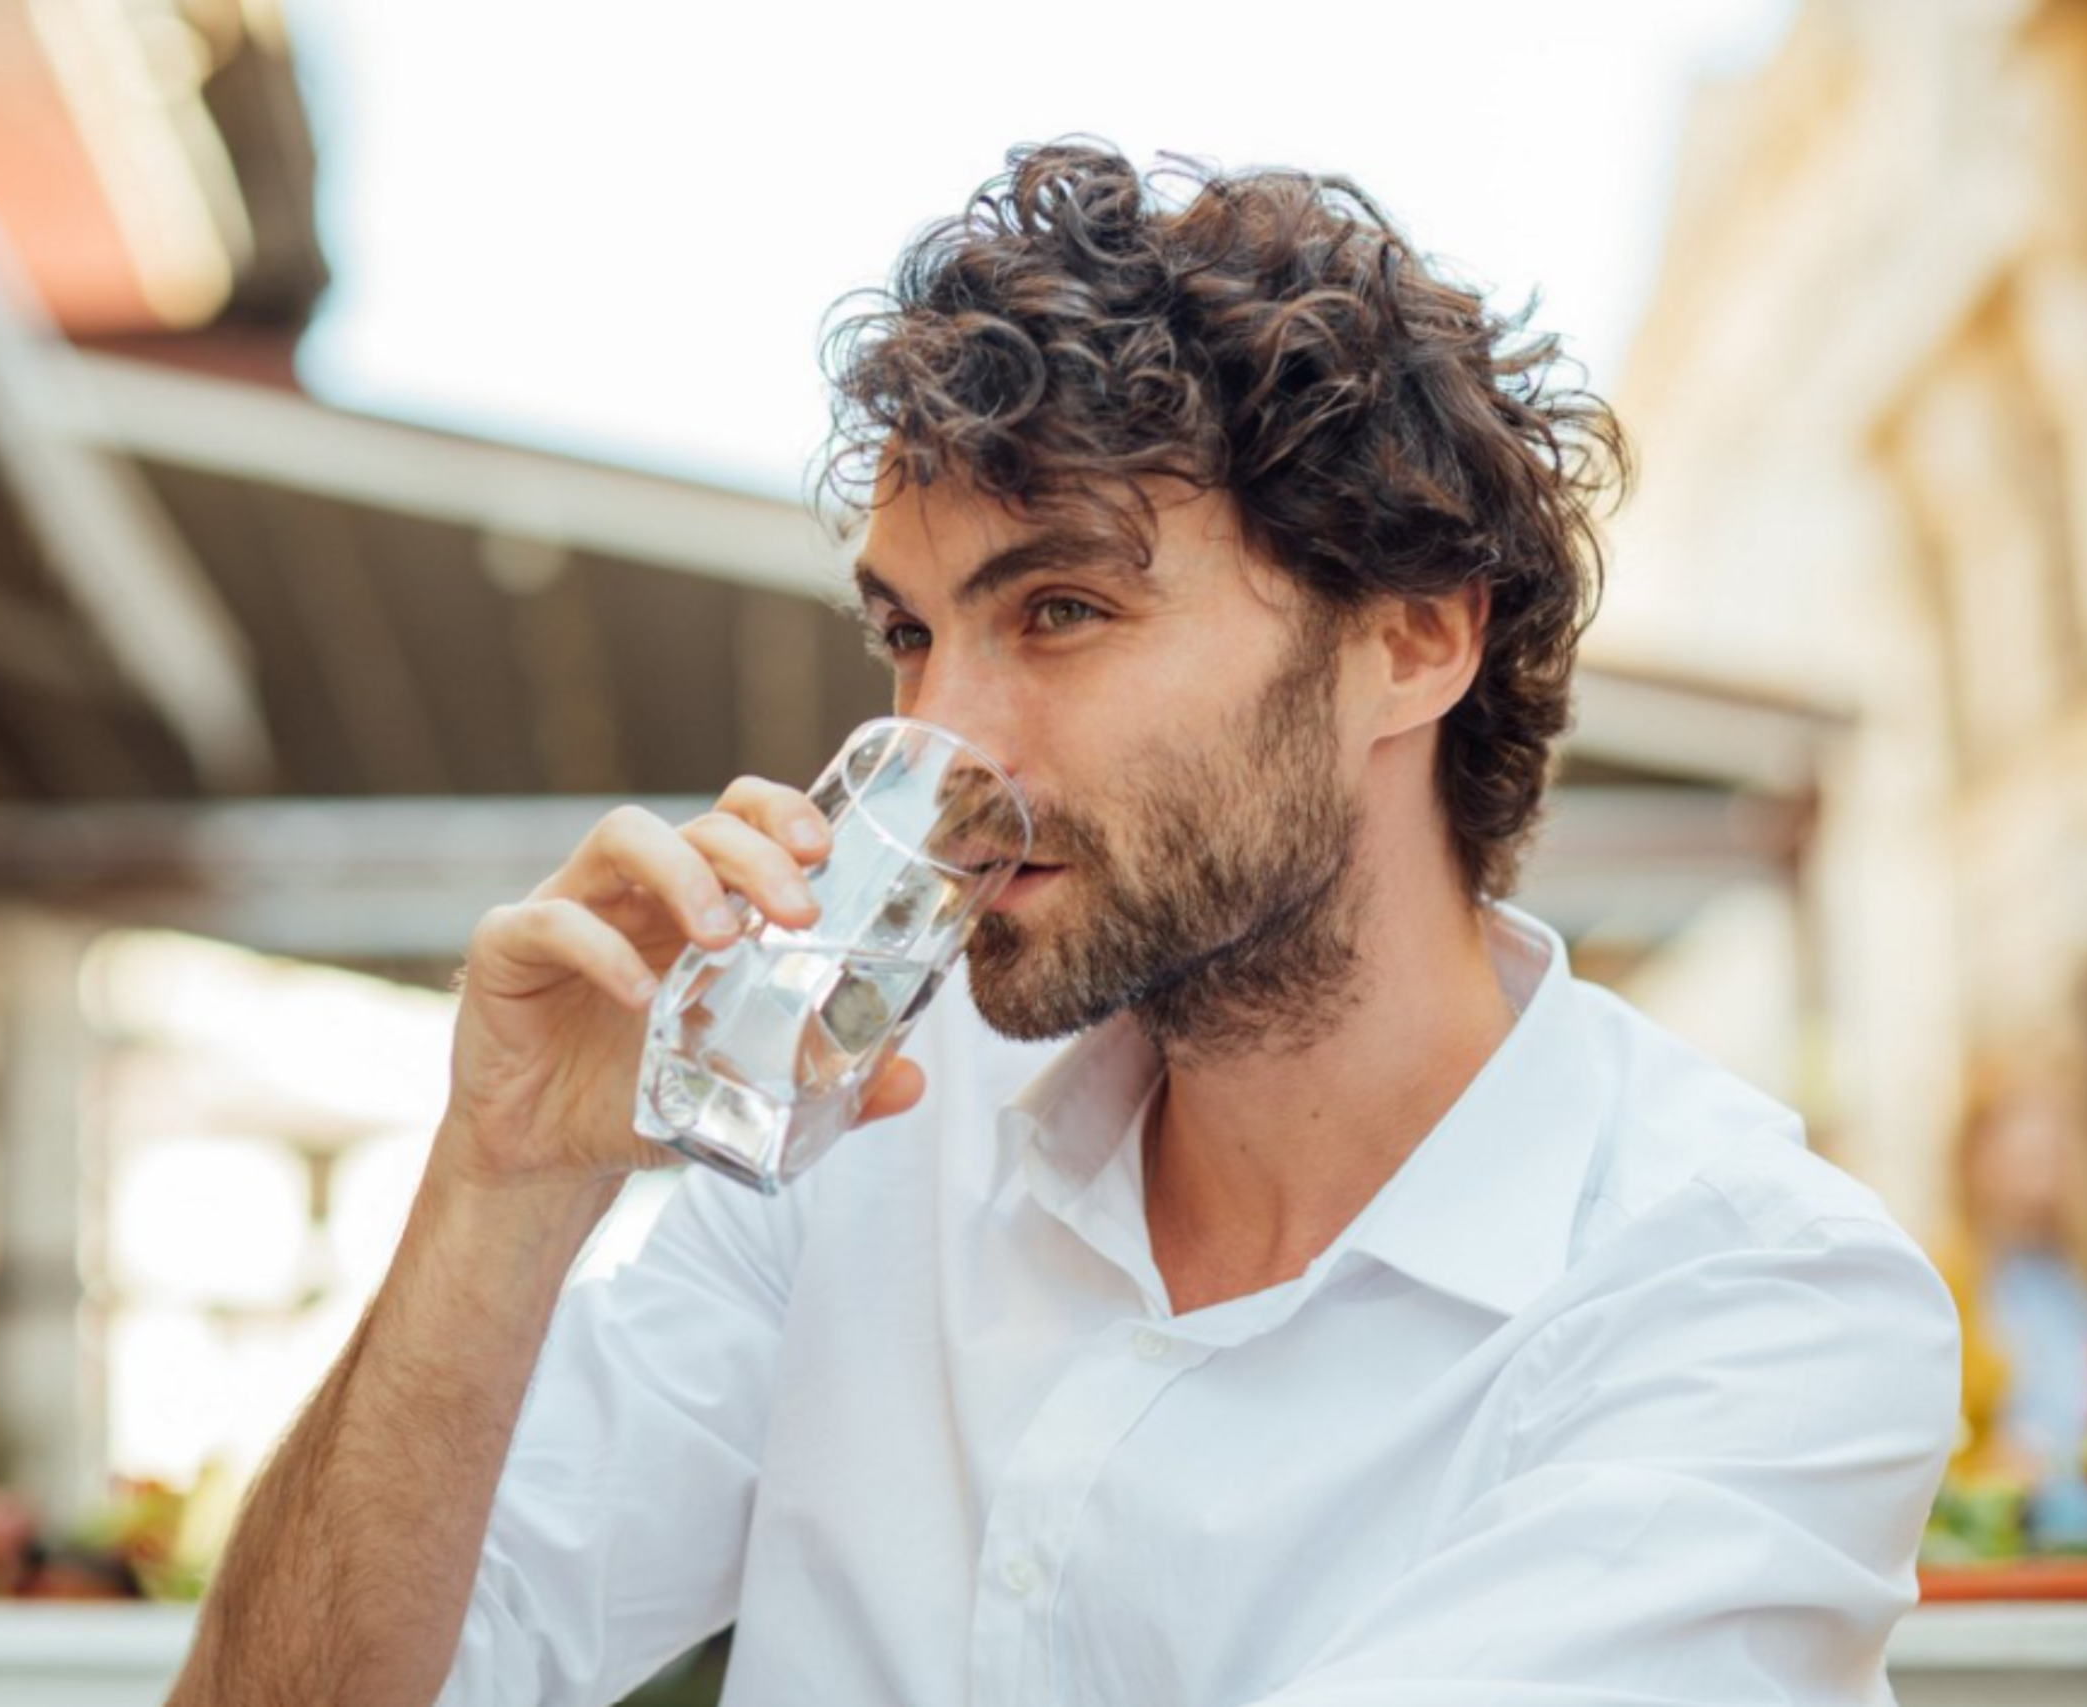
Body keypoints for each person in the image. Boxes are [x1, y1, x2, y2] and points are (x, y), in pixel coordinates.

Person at [168, 142, 1959, 1707]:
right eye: (909, 635)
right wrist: (499, 1187)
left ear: (1413, 638)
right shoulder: (859, 1143)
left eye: (1068, 608)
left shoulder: (1748, 1298)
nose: (939, 742)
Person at [1934, 1053, 2087, 1551]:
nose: (2044, 1171)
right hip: (2013, 1556)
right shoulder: (1948, 1281)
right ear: (1975, 1156)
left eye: (2054, 1150)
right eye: (2024, 1152)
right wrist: (1993, 1468)